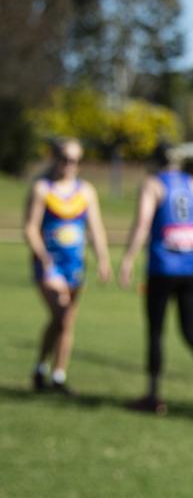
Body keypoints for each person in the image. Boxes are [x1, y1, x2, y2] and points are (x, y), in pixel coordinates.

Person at [119, 143, 193, 414]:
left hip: (163, 265)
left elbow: (144, 224)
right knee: (190, 331)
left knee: (156, 331)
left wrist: (128, 258)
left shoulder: (153, 185)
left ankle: (154, 395)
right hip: (192, 266)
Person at [23, 139, 112, 396]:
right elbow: (30, 228)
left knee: (65, 321)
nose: (69, 165)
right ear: (55, 158)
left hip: (75, 265)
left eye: (75, 160)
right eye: (65, 158)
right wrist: (42, 255)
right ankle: (44, 370)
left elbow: (95, 228)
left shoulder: (85, 192)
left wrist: (103, 260)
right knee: (61, 311)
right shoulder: (43, 189)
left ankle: (53, 374)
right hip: (49, 265)